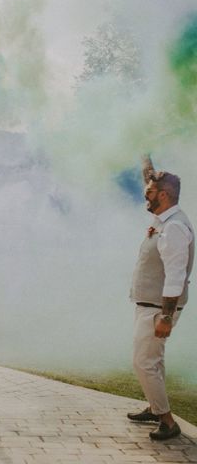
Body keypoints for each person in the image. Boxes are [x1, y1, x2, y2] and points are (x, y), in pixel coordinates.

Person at [127, 155, 194, 440]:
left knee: (143, 362)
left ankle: (167, 420)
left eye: (150, 191)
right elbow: (150, 180)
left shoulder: (175, 227)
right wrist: (145, 158)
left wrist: (166, 317)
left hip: (158, 308)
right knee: (155, 360)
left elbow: (176, 276)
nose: (146, 193)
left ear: (163, 195)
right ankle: (156, 408)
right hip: (152, 306)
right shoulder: (164, 216)